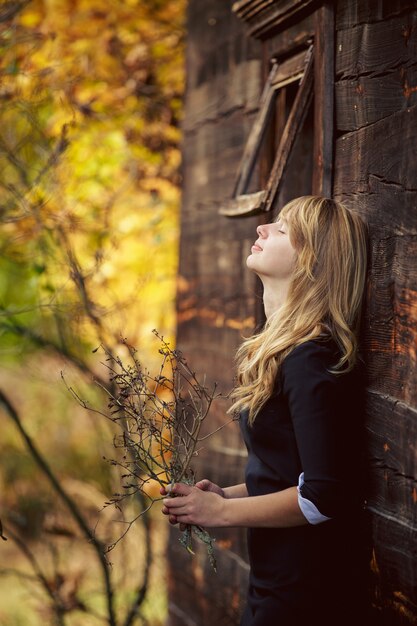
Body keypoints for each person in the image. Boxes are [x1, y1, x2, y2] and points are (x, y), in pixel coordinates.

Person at [161, 196, 371, 625]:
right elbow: (287, 473)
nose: (261, 230)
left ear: (311, 259)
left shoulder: (312, 358)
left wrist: (220, 513)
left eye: (280, 229)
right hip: (276, 582)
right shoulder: (290, 353)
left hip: (308, 595)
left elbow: (324, 495)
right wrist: (224, 496)